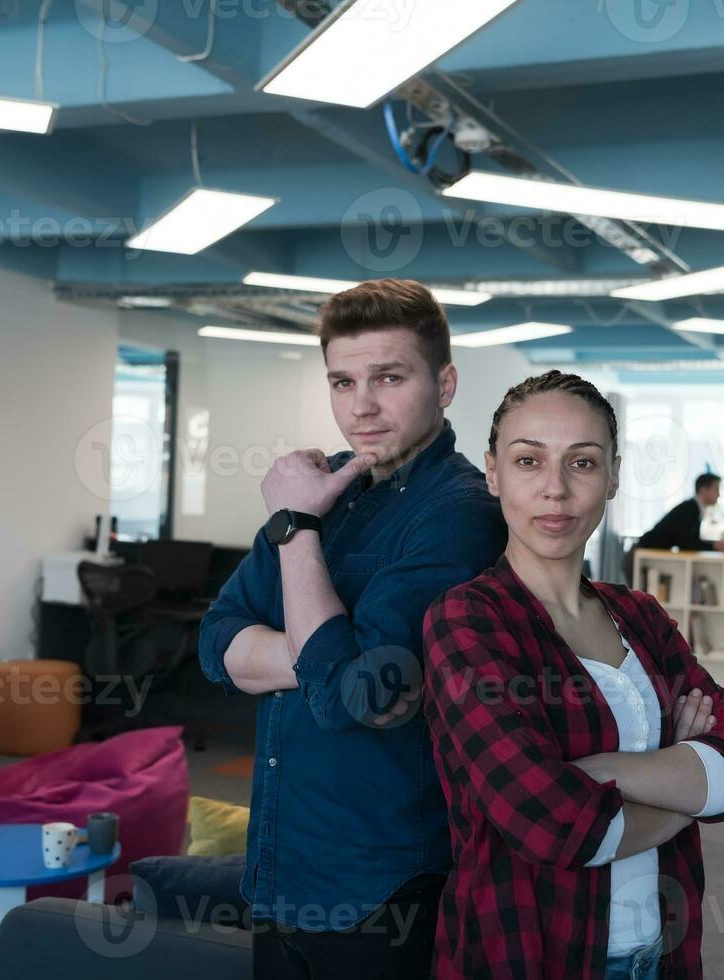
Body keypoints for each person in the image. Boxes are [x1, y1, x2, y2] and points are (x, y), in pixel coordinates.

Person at [198, 279, 507, 979]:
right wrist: (328, 655)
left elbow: (350, 698)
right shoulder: (320, 483)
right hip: (281, 862)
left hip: (381, 883)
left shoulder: (459, 512)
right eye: (342, 381)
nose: (360, 405)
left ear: (445, 382)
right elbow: (216, 641)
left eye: (388, 377)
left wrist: (296, 530)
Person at [423, 371, 724, 979]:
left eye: (582, 463)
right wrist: (687, 794)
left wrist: (604, 773)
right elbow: (555, 825)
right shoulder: (467, 620)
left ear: (611, 478)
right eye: (529, 461)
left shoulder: (639, 613)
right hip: (531, 952)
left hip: (661, 949)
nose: (555, 489)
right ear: (493, 473)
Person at [636, 473, 724, 553]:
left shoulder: (695, 508)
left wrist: (717, 545)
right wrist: (717, 546)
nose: (718, 494)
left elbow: (691, 541)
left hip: (645, 553)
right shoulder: (690, 508)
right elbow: (686, 543)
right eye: (716, 489)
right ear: (703, 489)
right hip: (641, 554)